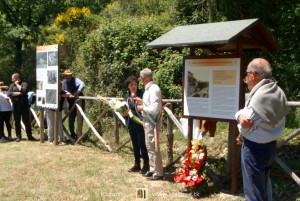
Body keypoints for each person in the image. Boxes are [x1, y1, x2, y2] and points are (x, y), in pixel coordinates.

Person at [235, 58, 288, 201]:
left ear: (253, 74)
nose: (246, 78)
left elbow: (244, 126)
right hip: (271, 147)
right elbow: (245, 114)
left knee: (254, 193)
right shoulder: (277, 91)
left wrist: (239, 117)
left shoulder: (259, 96)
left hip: (254, 149)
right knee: (264, 188)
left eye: (247, 74)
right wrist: (240, 114)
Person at [134, 68, 164, 181]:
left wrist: (142, 108)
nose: (140, 79)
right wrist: (142, 102)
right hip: (148, 120)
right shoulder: (149, 89)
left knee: (154, 146)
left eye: (141, 77)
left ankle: (158, 172)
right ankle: (152, 169)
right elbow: (150, 105)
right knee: (149, 145)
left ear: (145, 78)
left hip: (153, 121)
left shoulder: (154, 89)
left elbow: (155, 109)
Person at [123, 76, 149, 174]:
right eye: (131, 85)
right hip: (131, 123)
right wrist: (123, 112)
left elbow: (146, 106)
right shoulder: (126, 96)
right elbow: (124, 109)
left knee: (142, 144)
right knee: (135, 144)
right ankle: (137, 163)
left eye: (135, 84)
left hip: (141, 123)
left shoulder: (142, 94)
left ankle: (146, 164)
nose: (134, 86)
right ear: (128, 86)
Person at [7, 73, 37, 142]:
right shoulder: (11, 85)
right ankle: (18, 136)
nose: (12, 80)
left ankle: (30, 136)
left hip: (24, 106)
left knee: (27, 121)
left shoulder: (24, 83)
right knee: (17, 122)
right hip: (15, 106)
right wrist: (18, 93)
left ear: (17, 78)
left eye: (13, 78)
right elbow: (9, 93)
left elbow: (24, 91)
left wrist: (17, 85)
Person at [62, 69, 85, 140]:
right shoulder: (63, 83)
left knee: (80, 119)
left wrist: (77, 91)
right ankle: (72, 135)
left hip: (80, 102)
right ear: (64, 76)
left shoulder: (76, 80)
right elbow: (62, 91)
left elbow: (82, 84)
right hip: (71, 103)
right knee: (71, 120)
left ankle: (79, 135)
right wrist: (66, 94)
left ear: (71, 75)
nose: (67, 77)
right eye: (66, 75)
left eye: (69, 75)